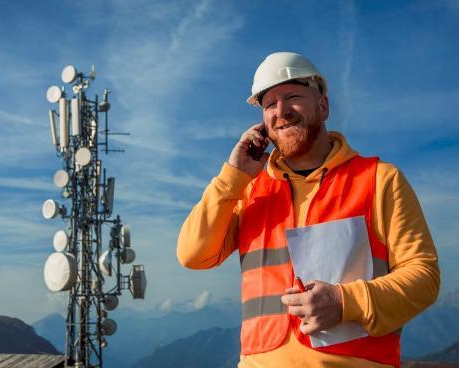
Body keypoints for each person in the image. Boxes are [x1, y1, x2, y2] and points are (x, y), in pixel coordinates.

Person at [177, 52, 440, 367]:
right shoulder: (247, 190)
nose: (281, 111)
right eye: (269, 104)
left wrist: (345, 302)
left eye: (292, 97)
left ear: (324, 106)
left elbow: (424, 277)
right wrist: (231, 177)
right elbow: (193, 255)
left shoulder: (380, 180)